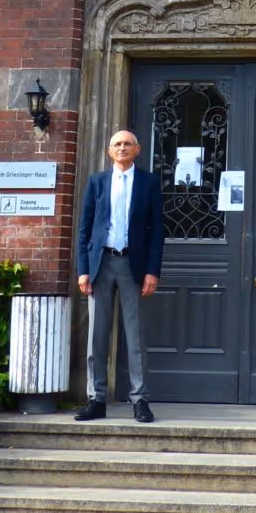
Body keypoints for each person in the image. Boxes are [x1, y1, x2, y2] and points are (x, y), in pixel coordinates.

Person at [75, 129, 164, 423]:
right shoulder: (97, 181)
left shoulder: (149, 183)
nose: (122, 148)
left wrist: (153, 271)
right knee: (97, 337)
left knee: (135, 337)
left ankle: (139, 400)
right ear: (108, 151)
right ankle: (96, 399)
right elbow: (85, 229)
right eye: (117, 144)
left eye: (127, 144)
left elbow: (157, 232)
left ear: (137, 149)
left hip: (132, 266)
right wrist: (83, 270)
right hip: (101, 265)